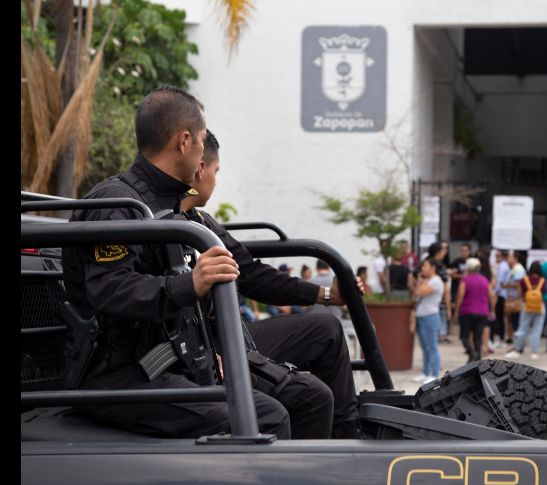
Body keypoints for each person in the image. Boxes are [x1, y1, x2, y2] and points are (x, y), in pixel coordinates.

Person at [62, 89, 357, 441]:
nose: (204, 154)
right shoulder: (119, 205)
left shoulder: (175, 208)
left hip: (170, 356)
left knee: (307, 397)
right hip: (119, 375)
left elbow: (246, 272)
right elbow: (109, 290)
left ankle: (345, 451)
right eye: (202, 141)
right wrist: (191, 284)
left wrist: (323, 294)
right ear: (184, 142)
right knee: (268, 417)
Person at [181, 128, 363, 438]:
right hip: (201, 347)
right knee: (311, 396)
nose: (215, 179)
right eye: (216, 171)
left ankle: (347, 435)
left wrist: (327, 295)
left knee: (326, 328)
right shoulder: (159, 222)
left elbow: (252, 274)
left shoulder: (202, 224)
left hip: (231, 337)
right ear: (200, 169)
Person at [409, 258, 444, 384]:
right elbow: (414, 294)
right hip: (421, 317)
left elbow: (419, 292)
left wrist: (417, 281)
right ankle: (425, 372)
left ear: (433, 268)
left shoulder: (436, 281)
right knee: (425, 348)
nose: (422, 269)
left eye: (425, 266)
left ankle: (434, 374)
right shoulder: (427, 280)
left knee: (432, 347)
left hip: (430, 317)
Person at [452, 257, 496, 362]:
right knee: (478, 337)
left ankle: (472, 353)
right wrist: (492, 310)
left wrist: (456, 311)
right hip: (482, 312)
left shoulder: (465, 279)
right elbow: (491, 295)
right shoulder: (485, 280)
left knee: (464, 336)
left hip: (467, 311)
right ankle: (477, 359)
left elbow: (460, 296)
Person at [505, 261, 547, 360]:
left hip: (526, 306)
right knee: (537, 330)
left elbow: (520, 293)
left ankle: (517, 350)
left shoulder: (524, 280)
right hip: (540, 307)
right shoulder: (543, 280)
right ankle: (534, 352)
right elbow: (544, 292)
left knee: (523, 328)